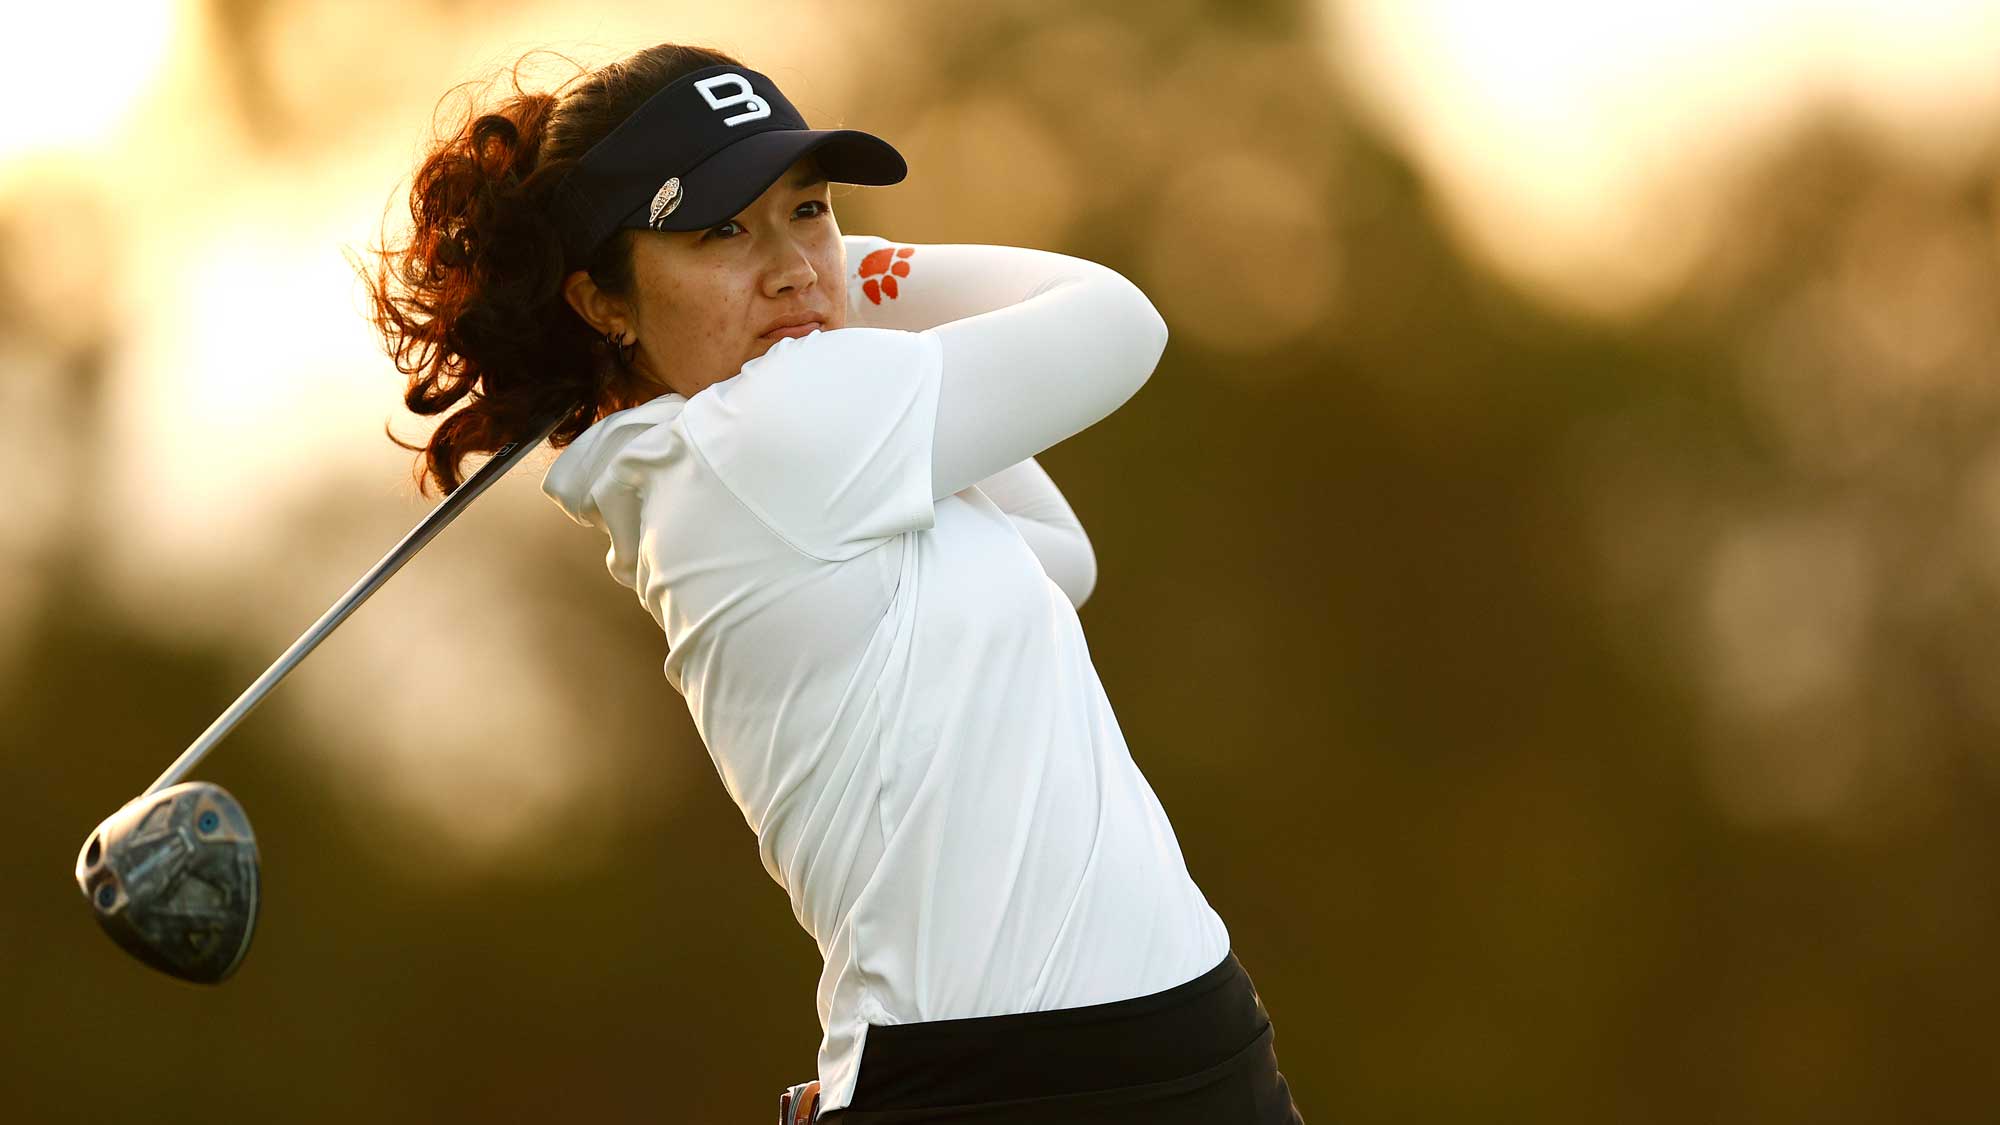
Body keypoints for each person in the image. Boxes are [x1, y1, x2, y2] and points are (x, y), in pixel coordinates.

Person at [366, 42, 1303, 1124]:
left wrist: (817, 292)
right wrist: (865, 278)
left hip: (1177, 1051)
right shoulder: (761, 436)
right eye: (719, 230)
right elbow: (1116, 321)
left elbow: (1055, 560)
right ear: (601, 300)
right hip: (1023, 1083)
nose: (788, 262)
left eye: (808, 210)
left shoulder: (762, 445)